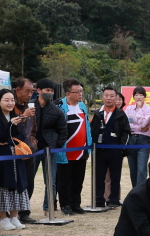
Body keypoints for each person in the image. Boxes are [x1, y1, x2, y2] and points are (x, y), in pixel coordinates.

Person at [0, 88, 31, 230]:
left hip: (16, 156)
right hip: (1, 157)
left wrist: (7, 141)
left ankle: (14, 216)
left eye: (12, 100)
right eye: (6, 100)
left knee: (18, 184)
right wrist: (10, 125)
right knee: (3, 185)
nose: (10, 103)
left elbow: (22, 136)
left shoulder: (17, 116)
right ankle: (3, 218)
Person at [54, 79, 91, 214]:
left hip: (81, 150)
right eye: (77, 91)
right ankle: (65, 204)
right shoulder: (60, 106)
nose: (80, 94)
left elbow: (86, 126)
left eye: (81, 91)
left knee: (78, 179)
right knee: (64, 179)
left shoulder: (82, 106)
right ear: (68, 93)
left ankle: (76, 203)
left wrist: (89, 143)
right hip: (65, 151)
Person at [91, 86, 130, 208]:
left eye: (112, 96)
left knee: (115, 177)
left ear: (116, 98)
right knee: (99, 176)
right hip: (100, 150)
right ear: (102, 97)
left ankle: (113, 200)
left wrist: (121, 148)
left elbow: (126, 132)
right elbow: (93, 130)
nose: (109, 98)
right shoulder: (97, 113)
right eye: (106, 95)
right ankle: (98, 200)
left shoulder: (120, 114)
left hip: (115, 151)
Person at [32, 79, 66, 213]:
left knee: (51, 181)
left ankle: (49, 207)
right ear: (38, 90)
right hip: (32, 149)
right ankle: (23, 210)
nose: (50, 93)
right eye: (47, 90)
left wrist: (56, 144)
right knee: (28, 180)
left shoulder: (56, 110)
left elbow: (63, 130)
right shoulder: (30, 107)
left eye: (52, 91)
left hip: (50, 149)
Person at [12, 79, 41, 223]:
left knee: (29, 181)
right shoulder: (10, 105)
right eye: (27, 91)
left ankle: (25, 212)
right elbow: (11, 126)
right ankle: (12, 213)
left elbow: (33, 128)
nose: (30, 95)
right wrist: (24, 115)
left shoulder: (30, 106)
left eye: (32, 92)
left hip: (29, 149)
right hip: (14, 150)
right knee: (16, 183)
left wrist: (33, 142)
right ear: (17, 90)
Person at [125, 86, 150, 189]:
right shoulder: (129, 108)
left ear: (145, 97)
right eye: (136, 95)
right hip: (131, 140)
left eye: (141, 95)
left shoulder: (149, 109)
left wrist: (138, 111)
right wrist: (137, 127)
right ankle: (135, 191)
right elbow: (127, 125)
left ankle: (141, 191)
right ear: (133, 97)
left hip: (143, 140)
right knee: (132, 168)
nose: (138, 97)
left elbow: (144, 124)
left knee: (142, 168)